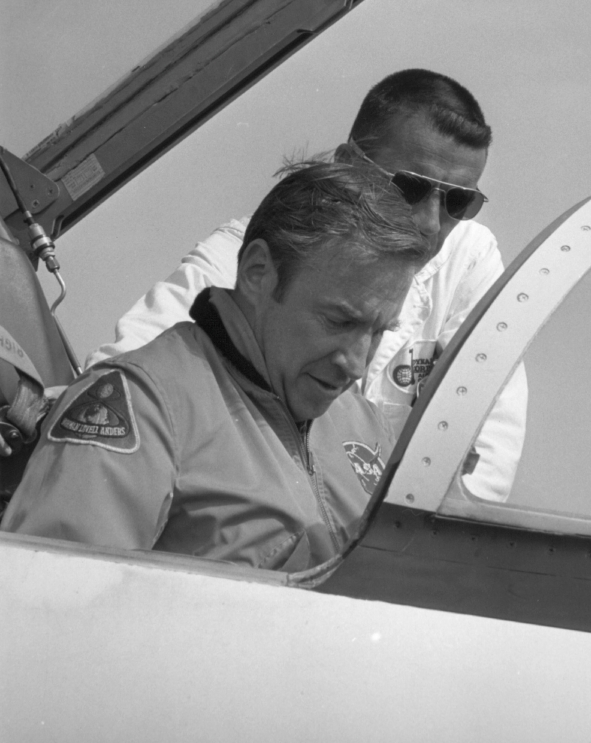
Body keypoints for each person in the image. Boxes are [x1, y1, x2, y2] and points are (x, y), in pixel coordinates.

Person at [86, 69, 528, 502]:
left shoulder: (469, 258)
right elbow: (122, 382)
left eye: (458, 201)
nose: (431, 223)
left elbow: (485, 453)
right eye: (411, 187)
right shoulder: (257, 254)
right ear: (348, 164)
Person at [1, 162, 429, 570]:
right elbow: (46, 612)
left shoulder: (364, 424)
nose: (356, 363)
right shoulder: (143, 407)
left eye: (379, 332)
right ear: (258, 272)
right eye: (339, 321)